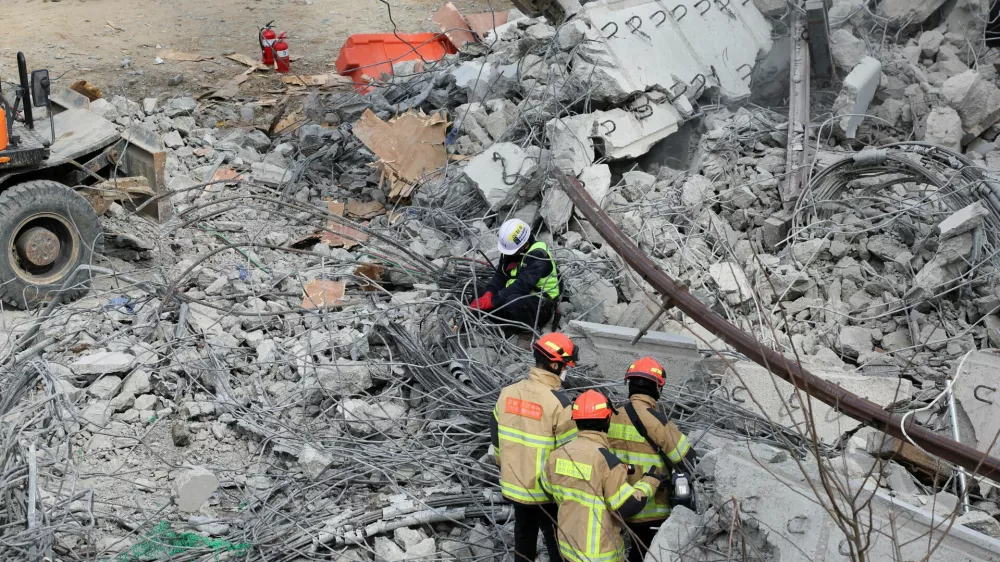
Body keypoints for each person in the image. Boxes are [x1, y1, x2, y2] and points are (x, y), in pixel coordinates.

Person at [540, 389, 665, 562]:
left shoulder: (558, 454)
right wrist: (649, 483)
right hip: (600, 554)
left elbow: (546, 488)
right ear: (607, 420)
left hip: (568, 549)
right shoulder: (607, 461)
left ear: (575, 420)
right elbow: (627, 505)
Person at [490, 332, 579, 561]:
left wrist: (504, 465)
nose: (566, 370)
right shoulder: (560, 403)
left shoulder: (507, 393)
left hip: (514, 486)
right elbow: (569, 454)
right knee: (557, 542)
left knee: (524, 539)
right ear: (553, 364)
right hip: (545, 492)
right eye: (564, 365)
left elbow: (496, 437)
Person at [608, 357, 697, 562]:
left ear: (630, 384)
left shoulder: (611, 416)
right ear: (657, 388)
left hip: (619, 503)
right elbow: (687, 460)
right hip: (651, 507)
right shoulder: (657, 421)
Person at [470, 218, 560, 331]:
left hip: (540, 304)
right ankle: (501, 322)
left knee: (513, 302)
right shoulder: (512, 251)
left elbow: (522, 286)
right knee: (479, 292)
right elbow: (500, 276)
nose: (509, 254)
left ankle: (528, 330)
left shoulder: (538, 255)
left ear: (525, 245)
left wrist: (493, 301)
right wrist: (489, 293)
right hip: (516, 294)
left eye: (512, 251)